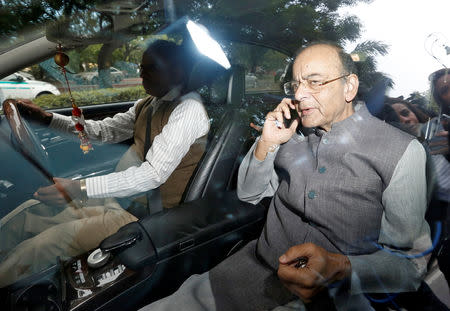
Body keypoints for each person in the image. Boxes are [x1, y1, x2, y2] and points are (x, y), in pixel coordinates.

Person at [140, 42, 432, 310]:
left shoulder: (401, 151)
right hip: (241, 276)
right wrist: (267, 143)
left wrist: (342, 268)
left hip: (331, 299)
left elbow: (410, 266)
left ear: (349, 86)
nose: (300, 94)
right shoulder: (289, 132)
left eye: (315, 82)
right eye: (296, 84)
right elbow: (250, 194)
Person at [0, 40, 210, 287]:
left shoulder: (189, 111)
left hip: (141, 218)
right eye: (141, 67)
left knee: (41, 246)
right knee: (28, 213)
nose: (140, 74)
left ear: (176, 70)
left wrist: (80, 188)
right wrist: (48, 120)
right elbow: (103, 131)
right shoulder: (149, 104)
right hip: (118, 199)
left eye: (149, 68)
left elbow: (152, 175)